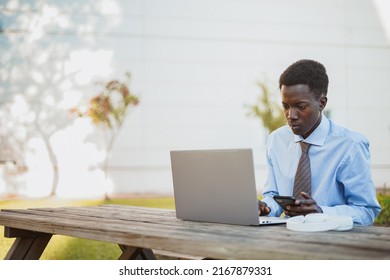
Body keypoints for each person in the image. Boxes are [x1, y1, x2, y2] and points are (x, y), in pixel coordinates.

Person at [258, 59, 381, 226]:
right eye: (285, 106)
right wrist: (266, 207)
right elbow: (274, 194)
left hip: (334, 242)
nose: (290, 115)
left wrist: (322, 212)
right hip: (287, 237)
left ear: (322, 103)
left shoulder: (351, 145)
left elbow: (367, 211)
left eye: (300, 106)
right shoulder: (276, 140)